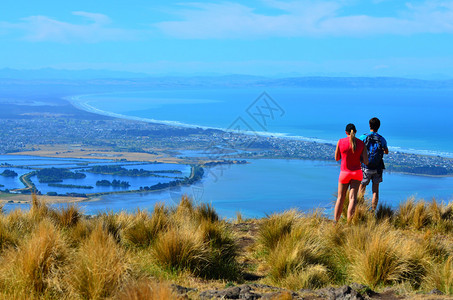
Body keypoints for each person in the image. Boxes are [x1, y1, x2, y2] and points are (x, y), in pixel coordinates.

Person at [334, 123, 368, 222]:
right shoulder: (361, 144)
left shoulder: (340, 141)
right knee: (353, 198)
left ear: (346, 132)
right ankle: (349, 223)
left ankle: (336, 222)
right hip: (357, 173)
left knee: (340, 198)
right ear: (355, 132)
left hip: (344, 173)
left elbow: (337, 158)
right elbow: (366, 161)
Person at [359, 117, 388, 211]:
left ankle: (360, 208)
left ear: (369, 125)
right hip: (377, 168)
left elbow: (357, 148)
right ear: (379, 126)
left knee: (362, 187)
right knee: (375, 191)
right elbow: (386, 151)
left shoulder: (363, 137)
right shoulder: (382, 139)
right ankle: (373, 211)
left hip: (365, 167)